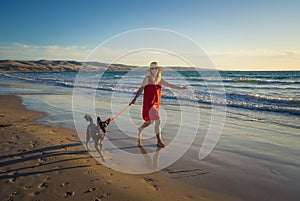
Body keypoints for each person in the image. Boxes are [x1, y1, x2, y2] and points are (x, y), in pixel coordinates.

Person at [130, 61, 188, 147]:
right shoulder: (147, 78)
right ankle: (159, 141)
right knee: (158, 121)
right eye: (152, 68)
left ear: (158, 70)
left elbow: (170, 85)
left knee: (150, 121)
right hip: (149, 104)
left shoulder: (160, 79)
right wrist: (134, 99)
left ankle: (141, 128)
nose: (154, 70)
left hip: (156, 104)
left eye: (155, 68)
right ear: (150, 70)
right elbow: (141, 89)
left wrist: (181, 88)